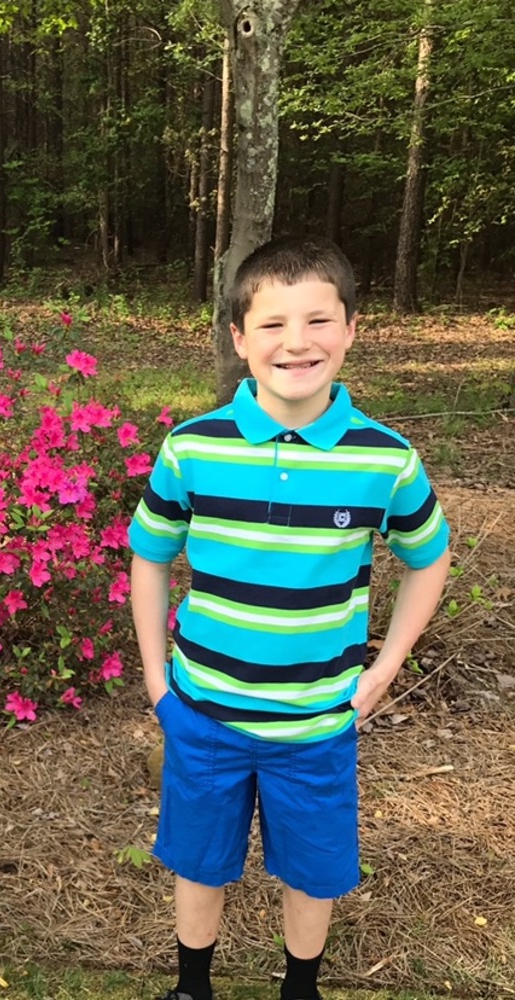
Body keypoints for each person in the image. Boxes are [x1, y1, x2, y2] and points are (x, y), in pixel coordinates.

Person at [129, 236, 451, 1000]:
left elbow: (427, 558)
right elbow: (149, 555)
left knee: (314, 872)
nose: (296, 343)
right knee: (199, 861)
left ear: (350, 329)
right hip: (203, 714)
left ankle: (299, 987)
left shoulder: (385, 460)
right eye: (272, 325)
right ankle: (191, 986)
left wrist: (385, 668)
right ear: (239, 338)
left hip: (315, 724)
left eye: (317, 321)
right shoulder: (193, 447)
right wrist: (156, 681)